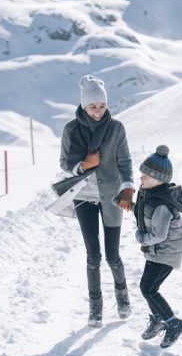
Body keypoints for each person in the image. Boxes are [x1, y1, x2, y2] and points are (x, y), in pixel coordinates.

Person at [57, 75, 135, 327]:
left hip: (112, 197)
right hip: (84, 197)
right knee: (93, 256)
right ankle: (95, 307)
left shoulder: (116, 128)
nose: (98, 111)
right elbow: (64, 162)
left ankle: (122, 297)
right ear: (83, 105)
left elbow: (125, 162)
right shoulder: (71, 129)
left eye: (102, 106)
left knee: (113, 256)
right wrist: (82, 165)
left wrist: (127, 187)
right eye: (93, 106)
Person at [130, 145, 182, 348]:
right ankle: (158, 318)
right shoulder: (151, 194)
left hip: (165, 253)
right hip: (156, 253)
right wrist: (128, 204)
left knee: (148, 289)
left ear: (158, 179)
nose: (141, 177)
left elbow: (158, 234)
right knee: (147, 288)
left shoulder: (162, 204)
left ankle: (173, 323)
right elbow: (145, 213)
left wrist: (140, 238)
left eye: (145, 175)